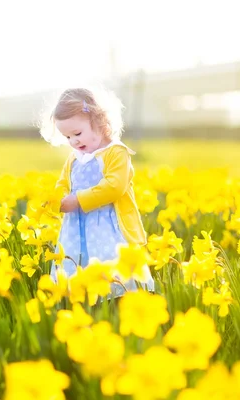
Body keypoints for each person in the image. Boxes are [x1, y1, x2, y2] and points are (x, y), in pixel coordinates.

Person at [39, 87, 155, 298]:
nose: (74, 141)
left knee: (109, 265)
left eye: (78, 133)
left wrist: (78, 200)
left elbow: (114, 187)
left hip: (109, 227)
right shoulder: (75, 158)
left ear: (99, 121)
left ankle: (115, 301)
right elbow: (63, 182)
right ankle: (84, 299)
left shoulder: (116, 153)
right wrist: (57, 198)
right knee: (76, 262)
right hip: (76, 228)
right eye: (67, 137)